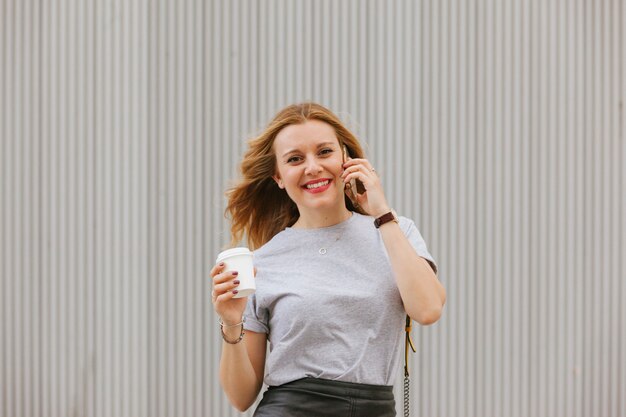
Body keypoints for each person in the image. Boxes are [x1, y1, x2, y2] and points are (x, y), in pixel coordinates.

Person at [211, 102, 446, 416]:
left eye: (324, 152)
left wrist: (381, 212)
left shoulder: (395, 232)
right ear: (279, 176)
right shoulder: (262, 262)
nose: (312, 167)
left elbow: (428, 309)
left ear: (346, 159)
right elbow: (241, 397)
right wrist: (231, 322)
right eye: (295, 159)